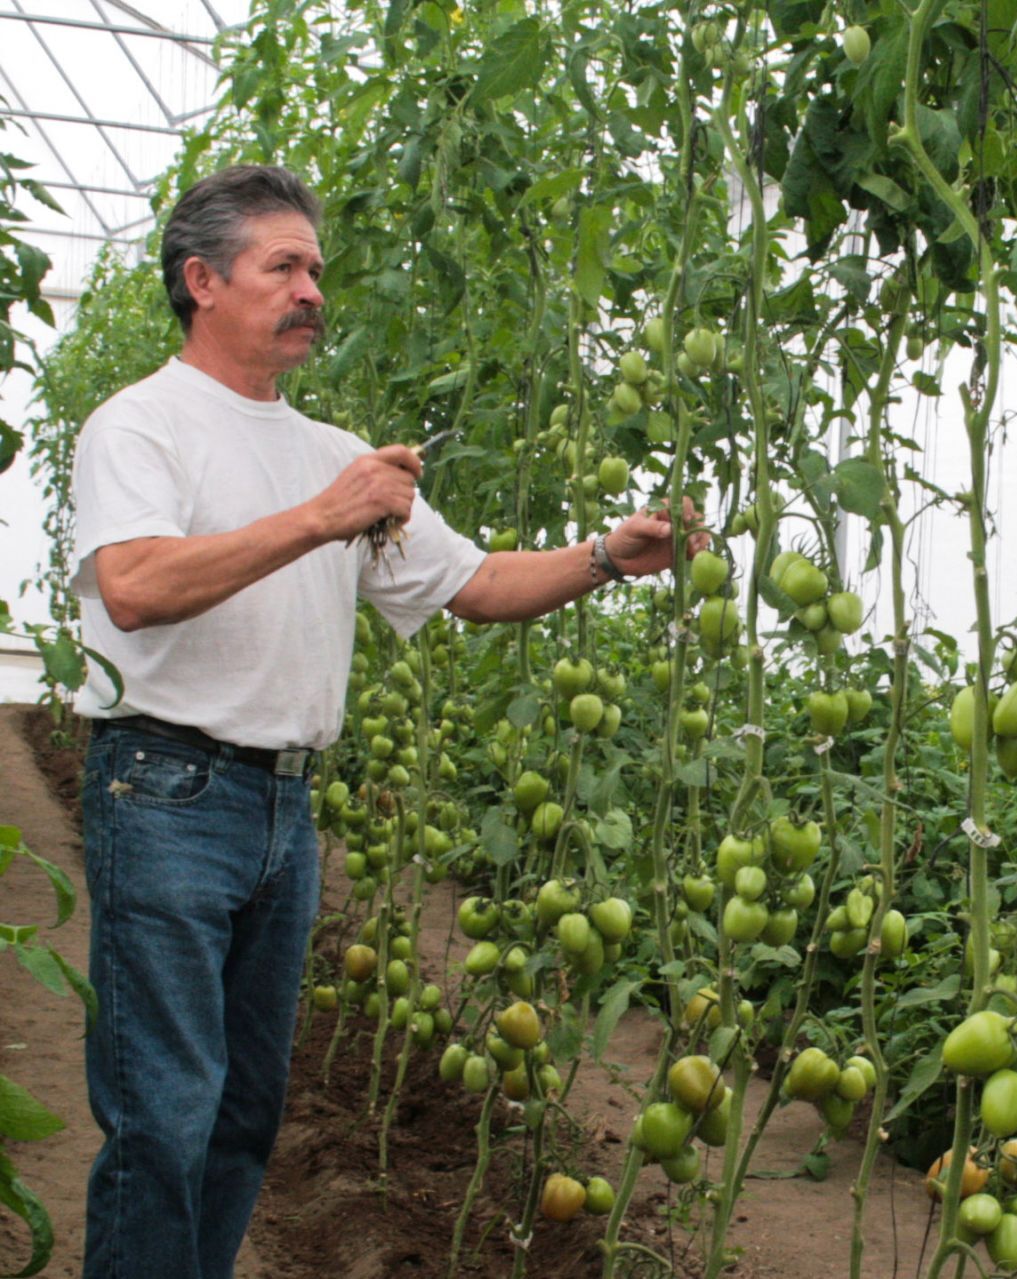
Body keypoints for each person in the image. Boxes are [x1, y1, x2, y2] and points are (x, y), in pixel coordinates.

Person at [67, 164, 703, 1278]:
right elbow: (134, 584)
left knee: (242, 1115)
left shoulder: (330, 451)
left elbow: (474, 585)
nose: (312, 288)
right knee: (163, 1114)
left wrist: (607, 555)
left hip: (284, 805)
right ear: (202, 280)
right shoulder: (142, 427)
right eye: (284, 266)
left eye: (316, 266)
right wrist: (325, 517)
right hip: (164, 791)